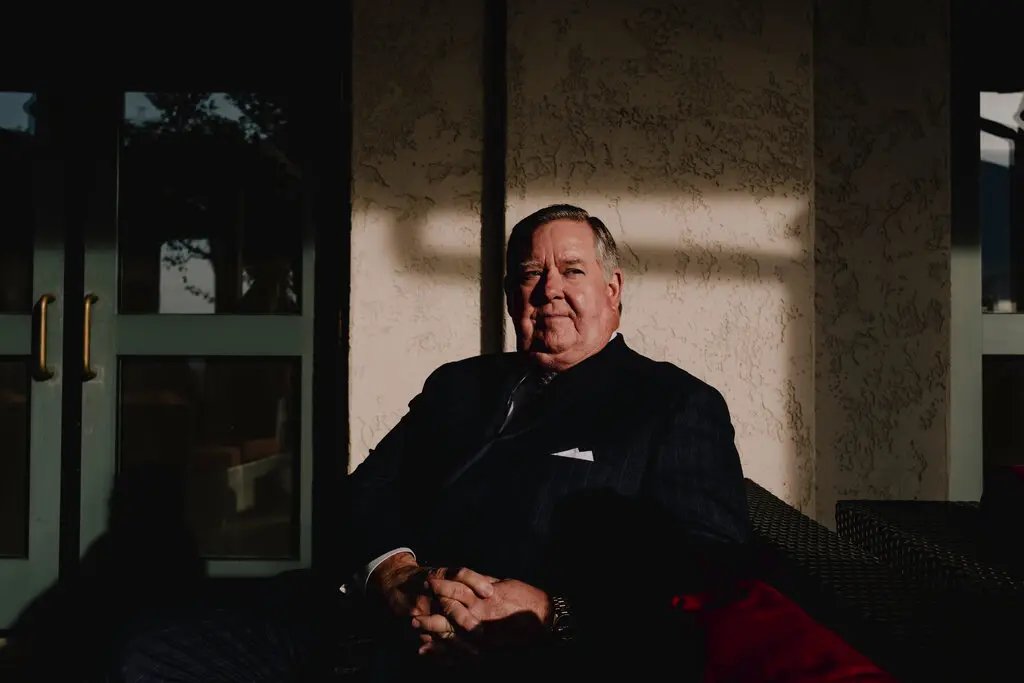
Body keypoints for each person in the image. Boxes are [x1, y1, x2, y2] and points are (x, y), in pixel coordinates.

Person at [343, 203, 750, 678]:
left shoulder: (673, 404)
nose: (549, 289)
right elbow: (366, 491)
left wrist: (552, 613)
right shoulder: (457, 385)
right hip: (380, 634)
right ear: (510, 297)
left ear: (612, 289)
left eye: (572, 270)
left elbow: (710, 573)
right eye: (531, 273)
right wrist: (393, 575)